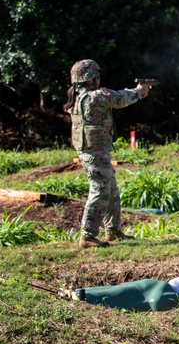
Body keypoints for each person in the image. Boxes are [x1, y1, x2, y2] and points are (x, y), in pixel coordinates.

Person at [64, 59, 151, 248]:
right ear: (91, 78)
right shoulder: (95, 97)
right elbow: (119, 98)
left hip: (93, 152)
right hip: (95, 153)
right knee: (100, 190)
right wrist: (139, 92)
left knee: (111, 190)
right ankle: (87, 236)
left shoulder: (77, 97)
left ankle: (113, 230)